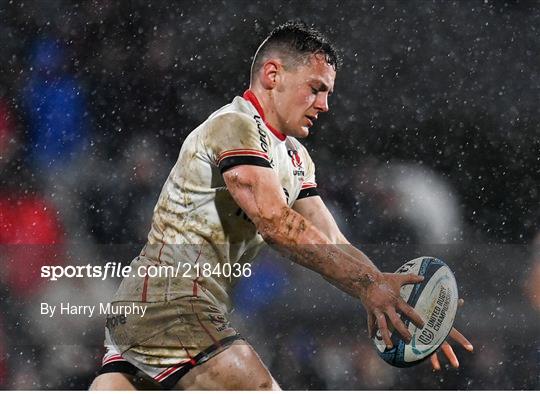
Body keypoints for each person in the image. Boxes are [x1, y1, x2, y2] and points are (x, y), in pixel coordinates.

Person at [90, 21, 472, 390]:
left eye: (328, 94)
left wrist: (392, 301)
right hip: (169, 301)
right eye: (316, 88)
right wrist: (368, 286)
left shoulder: (296, 158)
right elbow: (276, 223)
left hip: (156, 308)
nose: (323, 105)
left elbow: (330, 238)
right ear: (273, 75)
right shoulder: (235, 124)